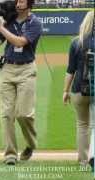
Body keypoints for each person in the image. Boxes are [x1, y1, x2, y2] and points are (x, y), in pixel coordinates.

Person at [0, 0, 43, 165]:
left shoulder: (35, 23)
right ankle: (10, 154)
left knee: (24, 114)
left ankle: (31, 143)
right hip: (7, 69)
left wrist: (1, 27)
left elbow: (20, 42)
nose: (17, 4)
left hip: (26, 70)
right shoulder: (9, 19)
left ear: (29, 4)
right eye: (17, 1)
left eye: (21, 1)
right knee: (6, 115)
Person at [63, 10, 94, 167]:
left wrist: (65, 91)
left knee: (82, 125)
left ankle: (83, 160)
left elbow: (70, 70)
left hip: (78, 89)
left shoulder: (77, 42)